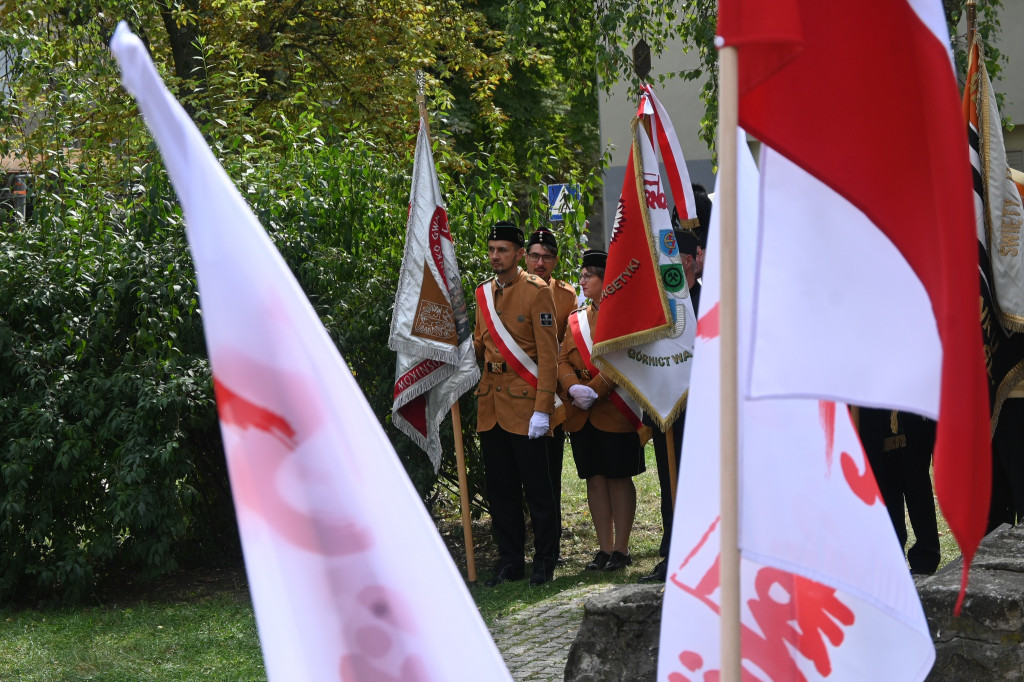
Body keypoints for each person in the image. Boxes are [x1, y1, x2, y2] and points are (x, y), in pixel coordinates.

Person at [474, 220, 560, 587]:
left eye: (502, 250)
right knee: (502, 490)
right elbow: (480, 346)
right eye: (492, 249)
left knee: (538, 489)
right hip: (491, 404)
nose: (495, 256)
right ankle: (511, 560)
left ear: (519, 254)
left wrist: (543, 408)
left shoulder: (537, 291)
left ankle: (544, 561)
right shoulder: (482, 293)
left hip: (527, 407)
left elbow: (548, 355)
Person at [639, 187, 711, 584]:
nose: (680, 267)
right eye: (673, 261)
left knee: (703, 482)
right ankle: (674, 554)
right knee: (671, 483)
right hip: (668, 407)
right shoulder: (658, 305)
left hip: (704, 411)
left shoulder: (710, 301)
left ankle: (707, 552)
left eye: (685, 260)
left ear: (696, 262)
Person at [558, 249, 645, 571]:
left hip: (615, 409)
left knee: (619, 478)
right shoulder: (575, 319)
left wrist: (594, 390)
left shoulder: (622, 314)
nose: (582, 280)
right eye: (581, 275)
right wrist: (571, 388)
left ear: (605, 279)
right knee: (594, 479)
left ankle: (622, 549)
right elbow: (561, 358)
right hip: (582, 412)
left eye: (588, 275)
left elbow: (623, 357)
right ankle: (604, 549)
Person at [525, 227, 577, 564]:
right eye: (535, 256)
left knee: (548, 474)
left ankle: (550, 549)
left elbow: (566, 346)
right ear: (525, 258)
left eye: (547, 257)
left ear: (556, 261)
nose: (540, 262)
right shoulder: (503, 292)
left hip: (550, 398)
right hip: (512, 394)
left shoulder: (567, 295)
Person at [859, 408, 941, 576]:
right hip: (876, 420)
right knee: (886, 493)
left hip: (911, 419)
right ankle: (893, 557)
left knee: (917, 489)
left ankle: (925, 558)